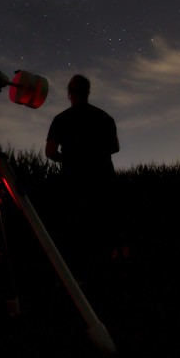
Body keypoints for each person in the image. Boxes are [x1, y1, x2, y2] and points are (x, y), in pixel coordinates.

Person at [45, 75, 120, 283]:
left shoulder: (61, 119)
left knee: (75, 234)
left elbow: (50, 152)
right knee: (102, 233)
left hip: (73, 183)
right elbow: (115, 147)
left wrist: (68, 160)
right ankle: (104, 279)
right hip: (103, 181)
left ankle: (76, 283)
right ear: (88, 92)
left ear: (70, 92)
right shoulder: (105, 118)